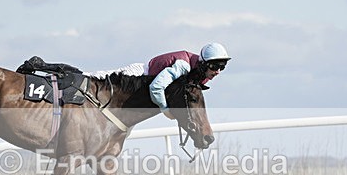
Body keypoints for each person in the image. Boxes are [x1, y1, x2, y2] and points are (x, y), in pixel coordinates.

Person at [16, 42, 231, 119]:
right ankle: (41, 69)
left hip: (141, 80)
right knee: (87, 79)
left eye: (222, 66)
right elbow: (157, 86)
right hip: (136, 75)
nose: (218, 71)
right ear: (203, 63)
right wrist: (166, 110)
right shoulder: (183, 65)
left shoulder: (196, 73)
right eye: (215, 66)